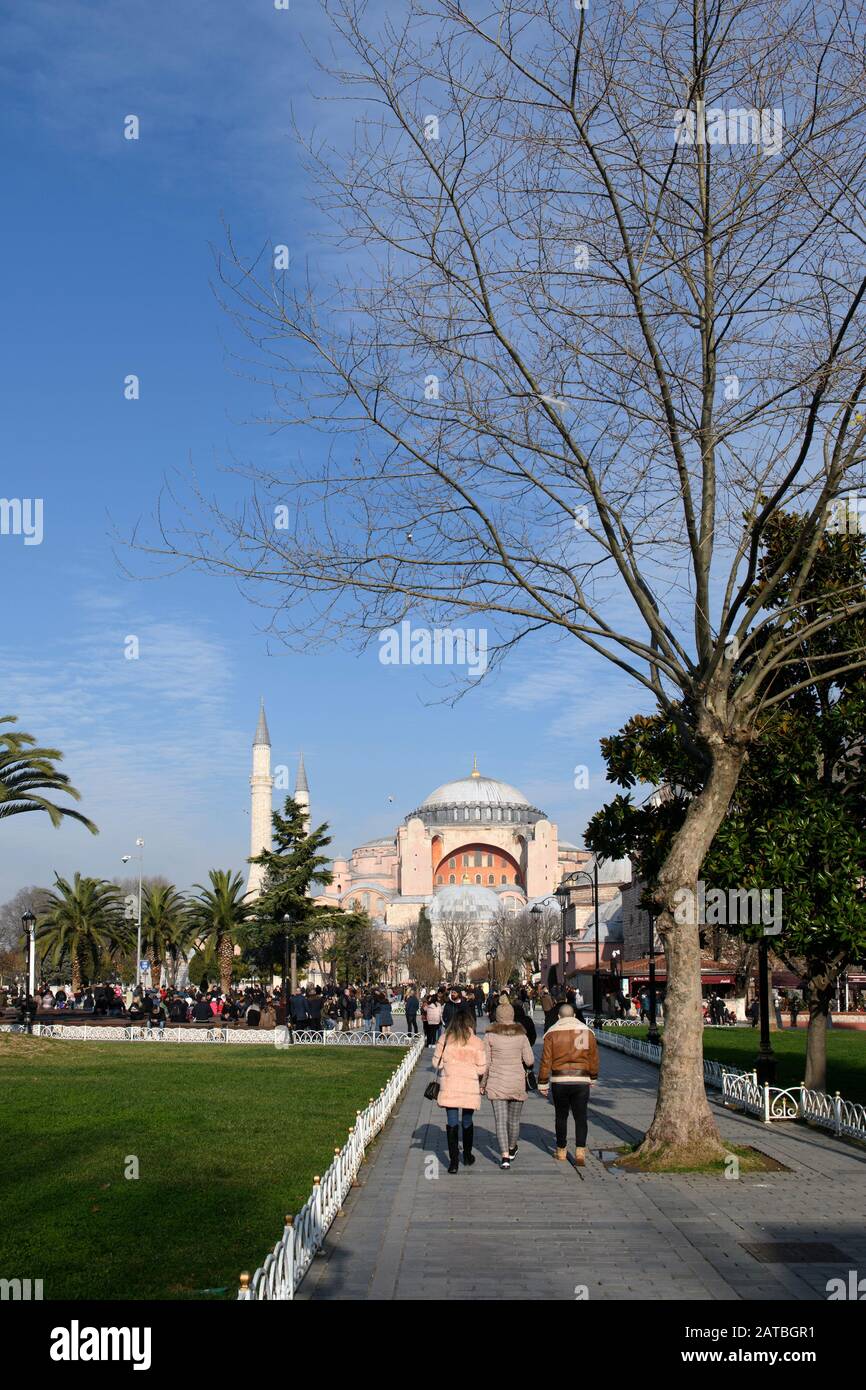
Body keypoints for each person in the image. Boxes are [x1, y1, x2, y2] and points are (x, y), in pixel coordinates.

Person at [538, 1003, 599, 1166]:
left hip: (560, 1080)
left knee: (561, 1116)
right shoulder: (584, 1032)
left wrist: (543, 1082)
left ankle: (561, 1150)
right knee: (581, 1117)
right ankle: (580, 1152)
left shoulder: (552, 1034)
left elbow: (546, 1061)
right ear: (573, 1016)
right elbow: (592, 1057)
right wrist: (593, 1077)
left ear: (559, 1017)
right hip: (581, 1080)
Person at [432, 1010, 487, 1174]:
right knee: (467, 1121)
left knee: (452, 1121)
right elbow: (482, 1068)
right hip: (469, 1087)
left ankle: (453, 1162)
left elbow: (437, 1063)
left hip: (450, 1085)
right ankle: (468, 1155)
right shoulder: (477, 1042)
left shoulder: (445, 1039)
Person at [483, 1001, 535, 1169]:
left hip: (496, 1082)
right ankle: (512, 1148)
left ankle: (504, 1156)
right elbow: (530, 1060)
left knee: (500, 1120)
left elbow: (486, 1063)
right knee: (514, 1120)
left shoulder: (490, 1035)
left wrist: (482, 1084)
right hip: (516, 1082)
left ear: (497, 1016)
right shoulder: (521, 1035)